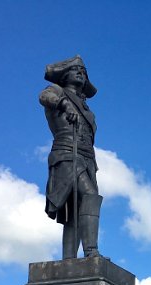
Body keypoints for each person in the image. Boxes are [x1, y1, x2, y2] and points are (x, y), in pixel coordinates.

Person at [40, 55, 102, 259]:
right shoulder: (57, 92)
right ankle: (91, 251)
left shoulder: (87, 108)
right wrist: (63, 104)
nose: (81, 75)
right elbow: (44, 97)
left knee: (76, 212)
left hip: (87, 159)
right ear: (65, 75)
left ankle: (69, 260)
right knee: (90, 196)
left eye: (83, 73)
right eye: (77, 71)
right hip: (67, 154)